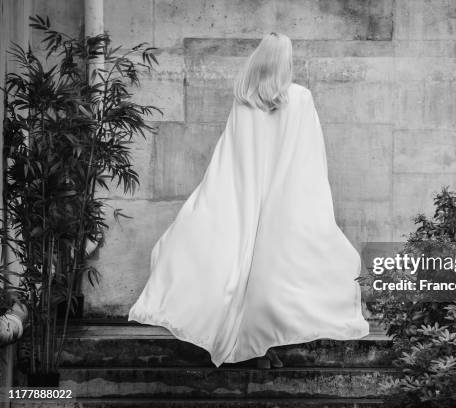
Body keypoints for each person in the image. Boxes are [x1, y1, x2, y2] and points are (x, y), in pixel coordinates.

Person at [128, 32, 370, 369]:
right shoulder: (300, 98)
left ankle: (250, 346)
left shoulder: (244, 100)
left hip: (243, 193)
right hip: (283, 195)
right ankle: (259, 347)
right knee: (279, 273)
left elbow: (231, 153)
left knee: (234, 266)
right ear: (285, 62)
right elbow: (308, 155)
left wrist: (225, 194)